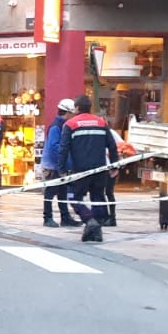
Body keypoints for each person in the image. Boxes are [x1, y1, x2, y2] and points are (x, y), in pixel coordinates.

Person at [55, 95, 120, 243]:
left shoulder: (70, 124)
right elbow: (112, 145)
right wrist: (115, 165)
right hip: (100, 169)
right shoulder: (101, 123)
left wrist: (62, 169)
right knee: (97, 198)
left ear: (76, 108)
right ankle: (96, 229)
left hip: (81, 170)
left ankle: (90, 221)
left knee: (74, 197)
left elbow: (63, 149)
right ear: (90, 108)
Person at [40, 99, 81, 228]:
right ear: (67, 112)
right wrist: (63, 163)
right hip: (54, 165)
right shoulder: (57, 126)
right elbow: (54, 147)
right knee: (50, 191)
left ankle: (65, 217)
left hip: (58, 164)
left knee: (62, 191)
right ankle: (48, 218)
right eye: (72, 113)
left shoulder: (61, 125)